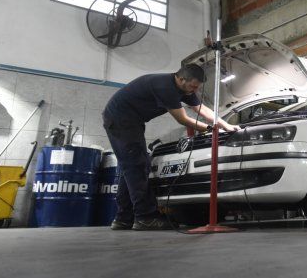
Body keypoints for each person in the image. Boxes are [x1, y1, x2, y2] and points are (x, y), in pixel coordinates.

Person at [102, 64, 239, 230]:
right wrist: (209, 129)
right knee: (136, 166)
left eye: (197, 87)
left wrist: (225, 125)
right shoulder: (165, 87)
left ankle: (123, 218)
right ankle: (145, 217)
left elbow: (200, 108)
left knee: (132, 166)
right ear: (181, 79)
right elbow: (182, 119)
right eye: (193, 86)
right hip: (120, 119)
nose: (194, 90)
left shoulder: (184, 88)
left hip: (130, 121)